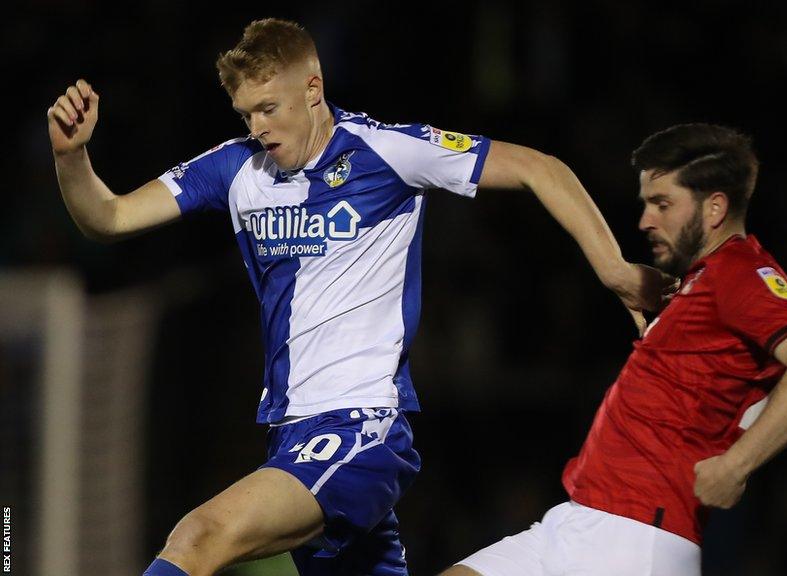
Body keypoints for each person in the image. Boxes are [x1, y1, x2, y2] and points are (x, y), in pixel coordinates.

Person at [45, 18, 671, 576]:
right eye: (246, 115)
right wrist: (71, 158)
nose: (259, 128)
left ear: (313, 88)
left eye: (269, 107)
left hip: (360, 430)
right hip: (290, 432)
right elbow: (112, 218)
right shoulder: (235, 169)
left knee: (199, 535)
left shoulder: (388, 152)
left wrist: (614, 268)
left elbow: (541, 167)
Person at [444, 123, 787, 576]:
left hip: (633, 537)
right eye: (646, 203)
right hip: (579, 519)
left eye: (663, 204)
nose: (645, 220)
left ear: (715, 206)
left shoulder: (742, 275)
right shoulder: (718, 282)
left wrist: (739, 463)